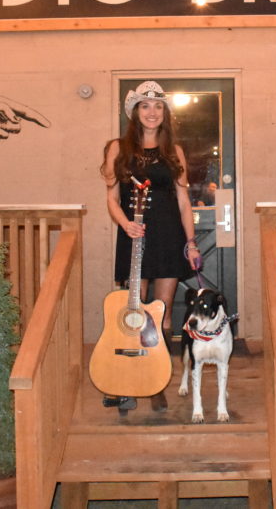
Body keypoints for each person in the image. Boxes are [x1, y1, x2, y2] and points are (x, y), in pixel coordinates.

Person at [101, 81, 201, 411]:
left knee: (163, 308)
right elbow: (112, 199)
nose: (152, 112)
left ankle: (156, 379)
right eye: (145, 106)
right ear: (135, 111)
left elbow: (184, 201)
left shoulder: (174, 151)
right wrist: (124, 223)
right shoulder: (118, 148)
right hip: (134, 235)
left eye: (158, 106)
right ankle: (126, 378)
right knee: (133, 307)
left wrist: (191, 242)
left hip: (169, 233)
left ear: (165, 112)